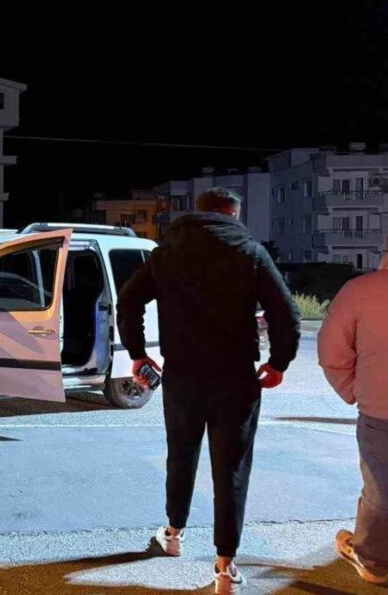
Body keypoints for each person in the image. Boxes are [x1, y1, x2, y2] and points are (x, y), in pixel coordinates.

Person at [117, 187, 300, 594]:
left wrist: (137, 353)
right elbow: (285, 312)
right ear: (233, 214)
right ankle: (224, 567)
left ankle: (173, 535)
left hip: (183, 375)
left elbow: (128, 300)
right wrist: (278, 362)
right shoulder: (250, 251)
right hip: (235, 377)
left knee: (181, 454)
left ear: (199, 213)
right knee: (230, 468)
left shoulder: (169, 251)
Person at [317, 256, 388, 586]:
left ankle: (373, 561)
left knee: (380, 487)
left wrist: (354, 392)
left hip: (380, 409)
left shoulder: (360, 291)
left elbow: (332, 352)